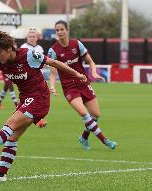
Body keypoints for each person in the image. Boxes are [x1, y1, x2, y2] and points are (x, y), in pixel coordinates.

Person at [0, 31, 87, 182]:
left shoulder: (29, 55)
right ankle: (0, 175)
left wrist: (76, 74)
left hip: (39, 99)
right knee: (12, 137)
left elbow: (54, 63)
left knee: (9, 125)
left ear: (9, 49)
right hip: (26, 100)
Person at [48, 20, 117, 151]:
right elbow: (52, 73)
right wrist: (52, 86)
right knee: (83, 113)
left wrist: (94, 72)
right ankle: (105, 140)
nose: (59, 32)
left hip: (83, 83)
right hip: (69, 88)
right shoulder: (53, 50)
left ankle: (84, 137)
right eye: (57, 30)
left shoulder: (76, 44)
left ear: (67, 30)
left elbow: (90, 61)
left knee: (95, 114)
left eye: (62, 29)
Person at [20, 28, 53, 127]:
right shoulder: (24, 47)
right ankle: (30, 118)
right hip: (27, 78)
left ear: (37, 38)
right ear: (27, 38)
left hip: (38, 77)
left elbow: (42, 62)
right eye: (30, 36)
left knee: (36, 98)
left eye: (33, 36)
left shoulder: (39, 48)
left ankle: (36, 119)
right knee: (30, 98)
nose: (32, 38)